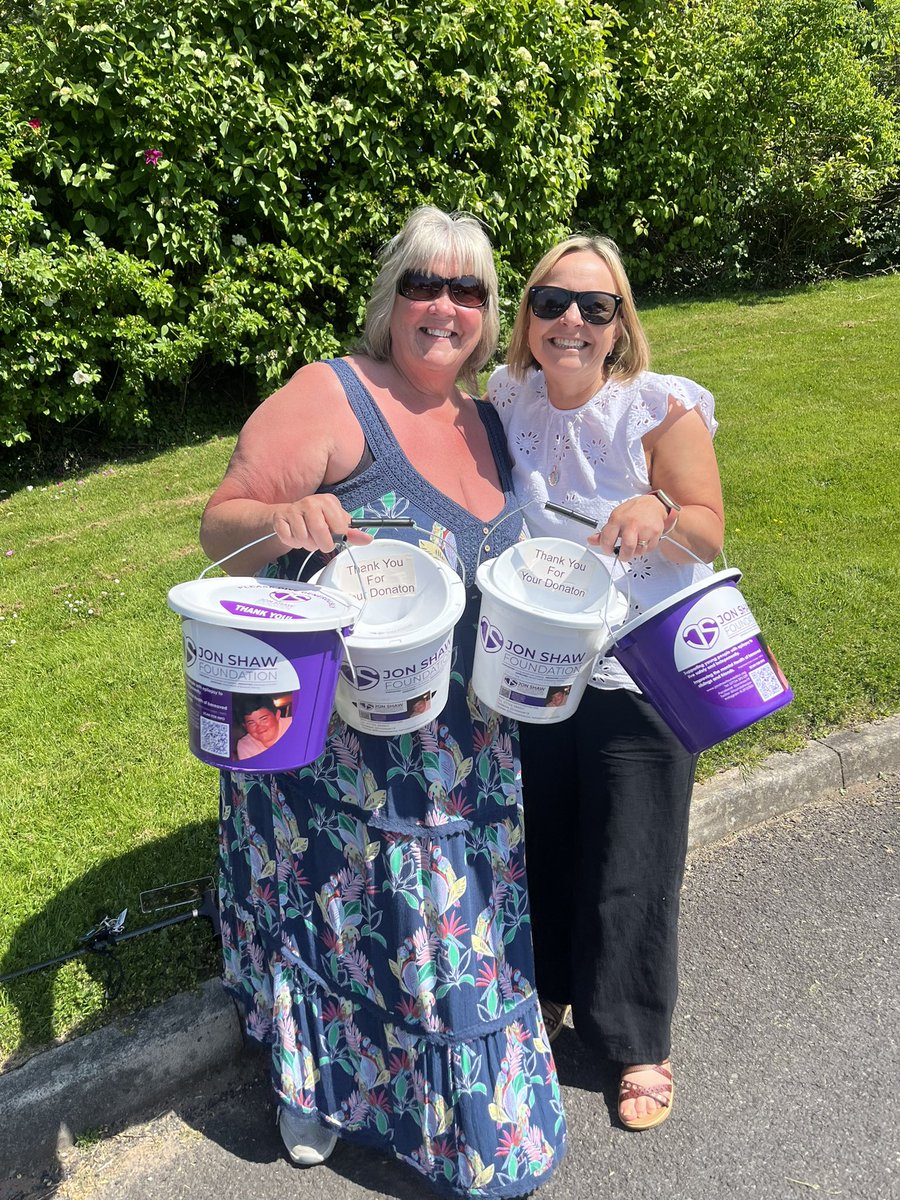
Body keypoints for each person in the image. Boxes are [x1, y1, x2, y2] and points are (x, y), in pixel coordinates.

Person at [199, 207, 565, 1194]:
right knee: (338, 919)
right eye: (423, 284)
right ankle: (312, 1080)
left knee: (438, 938)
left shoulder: (485, 418)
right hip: (346, 758)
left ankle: (418, 1096)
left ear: (491, 316)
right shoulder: (333, 395)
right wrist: (284, 516)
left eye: (470, 291)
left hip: (472, 747)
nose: (445, 305)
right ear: (389, 295)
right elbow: (220, 527)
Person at [488, 234, 724, 1131]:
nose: (573, 321)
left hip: (638, 666)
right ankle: (547, 995)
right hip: (541, 658)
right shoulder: (507, 396)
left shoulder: (661, 408)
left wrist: (658, 506)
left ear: (621, 323)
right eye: (553, 302)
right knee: (542, 837)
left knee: (633, 858)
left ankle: (633, 1040)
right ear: (529, 315)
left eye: (596, 306)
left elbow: (706, 528)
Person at [234, 695, 292, 760]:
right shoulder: (245, 745)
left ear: (277, 715)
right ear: (245, 726)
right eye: (251, 723)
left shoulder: (294, 725)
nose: (259, 727)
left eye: (264, 719)